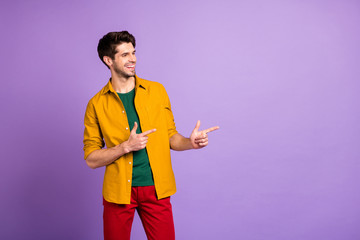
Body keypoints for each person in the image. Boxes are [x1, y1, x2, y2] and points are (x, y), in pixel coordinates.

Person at [83, 31, 219, 240]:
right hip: (118, 192)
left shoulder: (157, 91)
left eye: (134, 52)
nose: (133, 59)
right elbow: (91, 159)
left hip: (156, 189)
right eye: (125, 54)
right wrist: (124, 147)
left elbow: (171, 137)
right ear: (108, 60)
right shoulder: (96, 104)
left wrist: (190, 143)